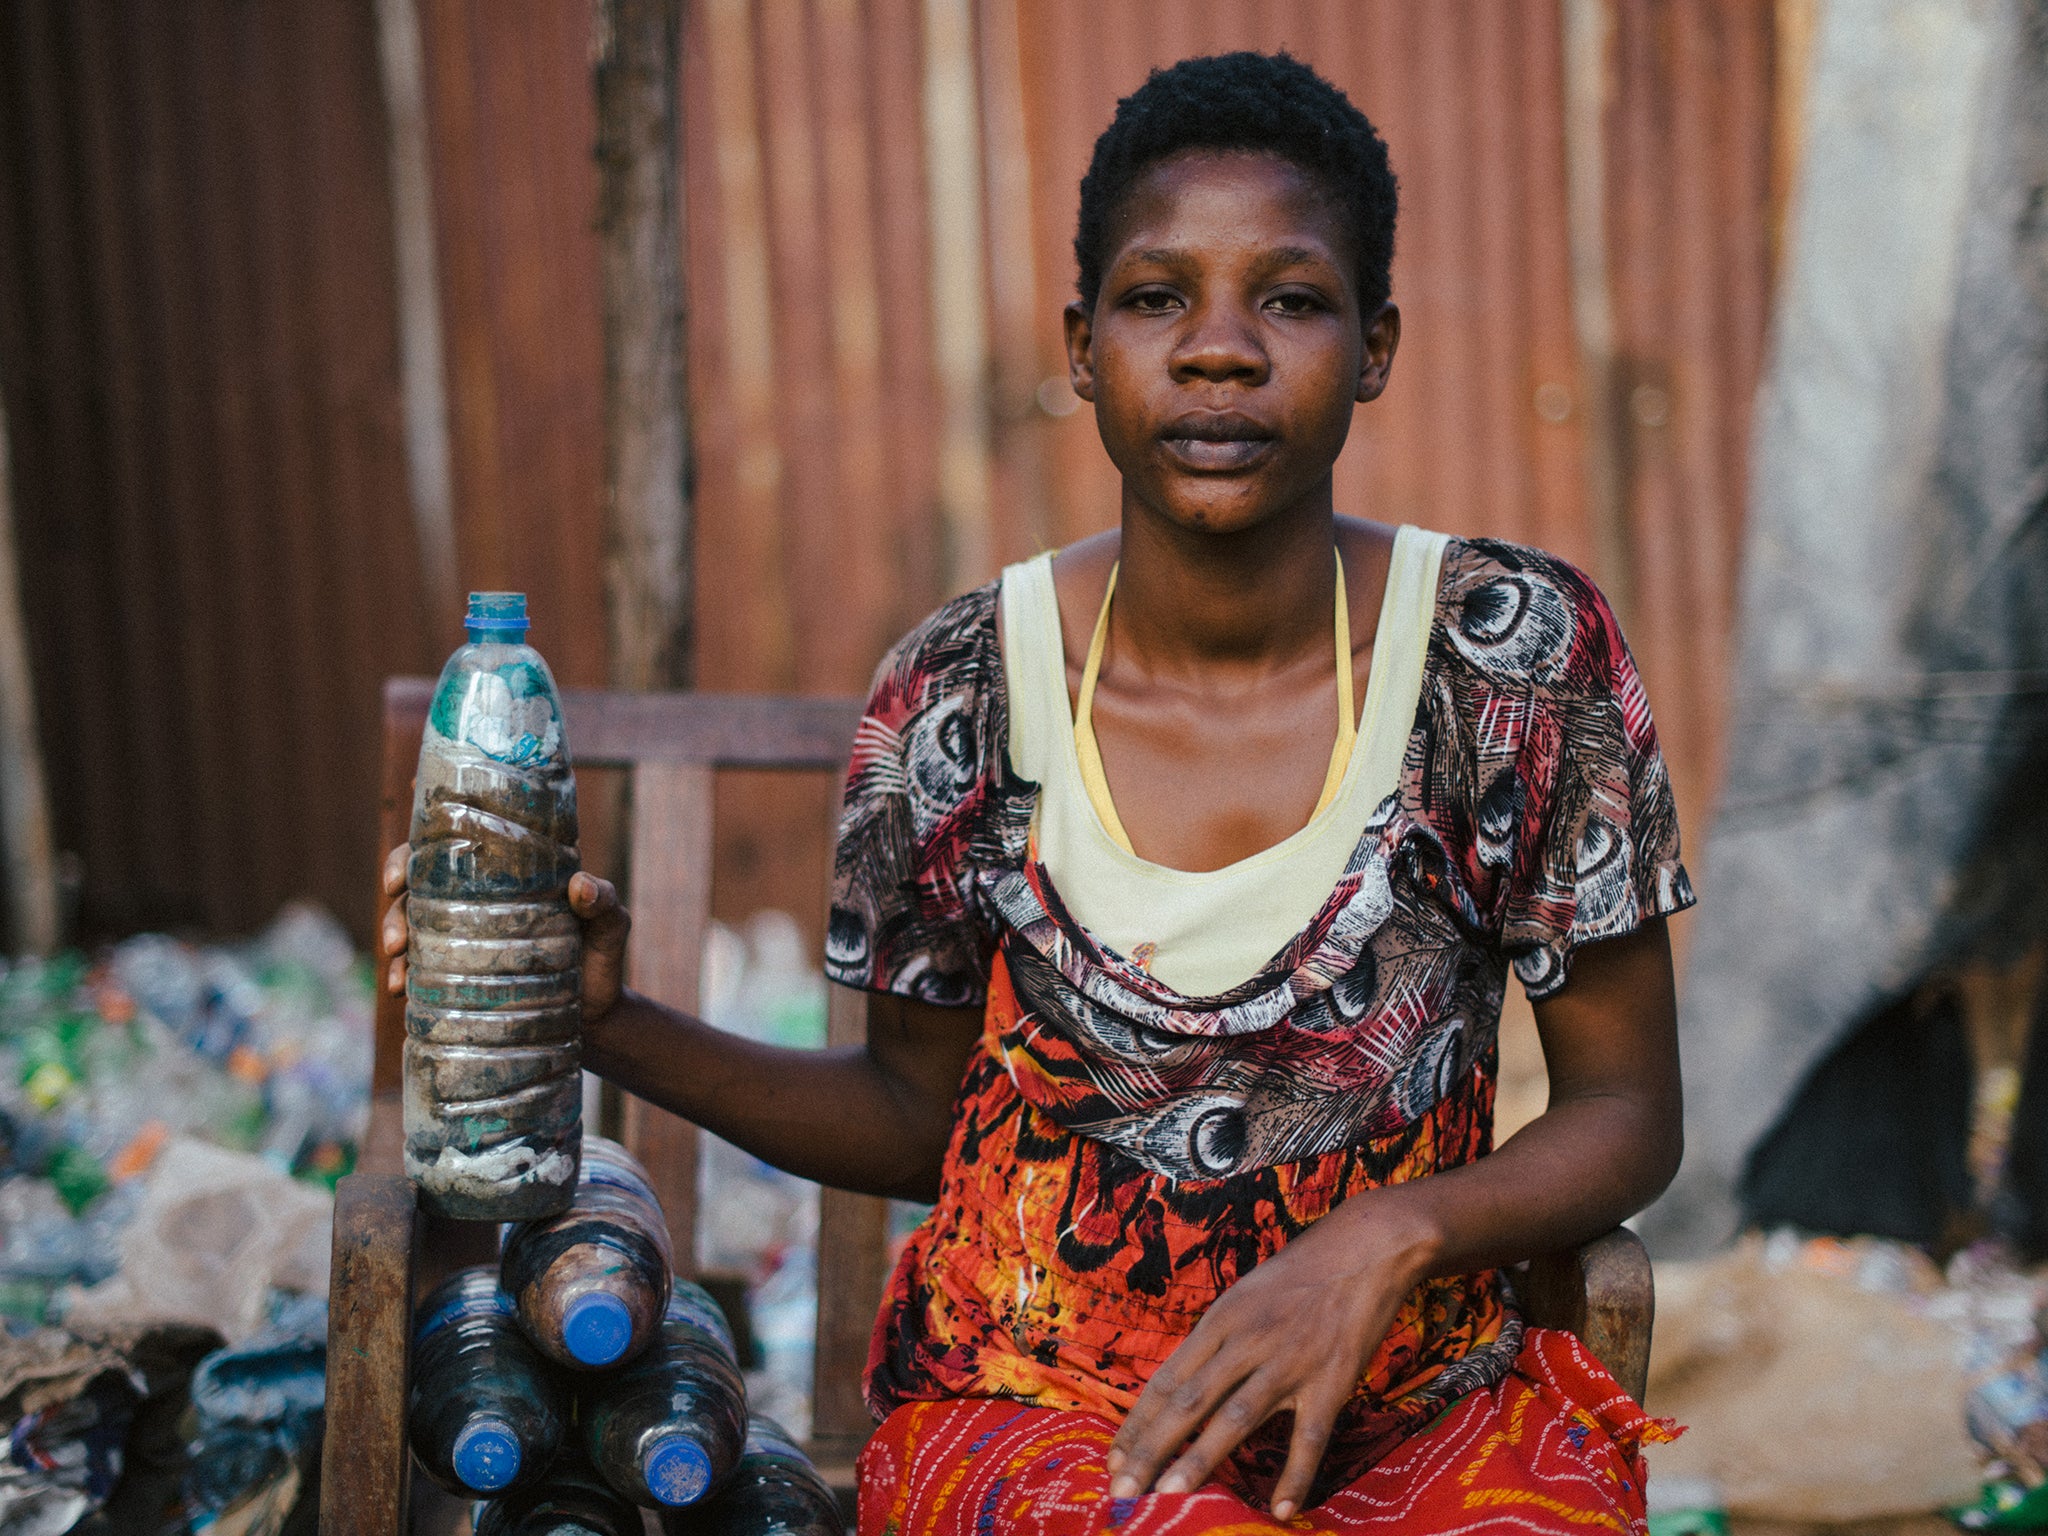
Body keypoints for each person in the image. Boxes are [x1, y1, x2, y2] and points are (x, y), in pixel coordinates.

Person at [383, 51, 1691, 1535]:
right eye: (1155, 299)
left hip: (1406, 1411)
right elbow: (906, 1111)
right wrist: (609, 1025)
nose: (1219, 351)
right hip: (1049, 1415)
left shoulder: (1510, 658)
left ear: (1375, 344)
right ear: (1081, 347)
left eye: (1291, 297)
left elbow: (1628, 1105)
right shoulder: (959, 692)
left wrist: (1390, 1236)